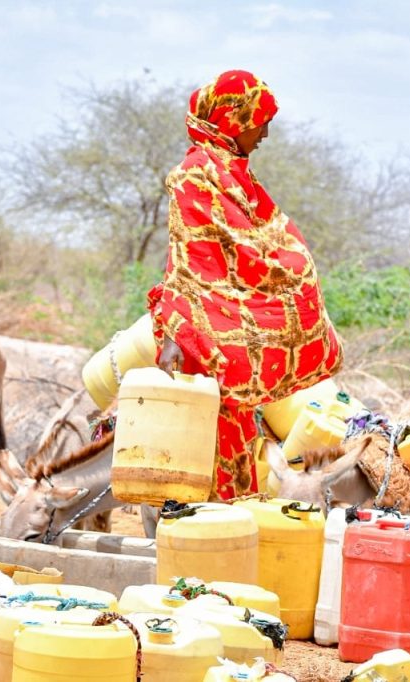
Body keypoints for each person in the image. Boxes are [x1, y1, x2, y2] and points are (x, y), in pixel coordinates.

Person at [148, 69, 343, 500]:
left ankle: (226, 532)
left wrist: (292, 269)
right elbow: (190, 268)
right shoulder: (194, 176)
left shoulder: (236, 175)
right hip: (201, 341)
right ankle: (197, 543)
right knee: (201, 453)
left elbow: (260, 245)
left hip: (222, 346)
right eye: (261, 121)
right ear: (235, 120)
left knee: (235, 439)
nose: (267, 134)